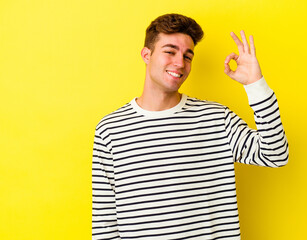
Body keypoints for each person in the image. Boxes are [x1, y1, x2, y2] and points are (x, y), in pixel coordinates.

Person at [92, 13, 289, 240]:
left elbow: (275, 154)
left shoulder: (216, 118)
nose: (180, 63)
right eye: (170, 51)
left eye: (188, 56)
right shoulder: (110, 129)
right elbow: (105, 224)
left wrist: (256, 85)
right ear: (147, 55)